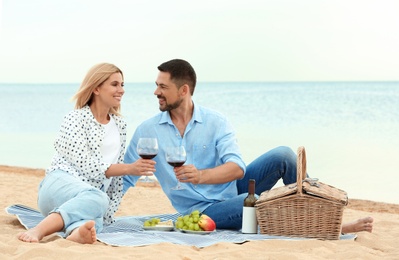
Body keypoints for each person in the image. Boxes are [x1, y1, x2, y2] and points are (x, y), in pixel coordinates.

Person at [123, 59, 373, 234]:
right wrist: (98, 209)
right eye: (156, 85)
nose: (156, 91)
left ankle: (318, 217)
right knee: (251, 202)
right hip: (203, 211)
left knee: (284, 155)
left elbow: (237, 169)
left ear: (184, 90)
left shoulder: (216, 122)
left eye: (162, 86)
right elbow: (126, 175)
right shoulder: (148, 130)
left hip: (232, 189)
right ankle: (322, 226)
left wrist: (200, 175)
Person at [17, 63, 156, 244]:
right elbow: (87, 165)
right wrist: (130, 168)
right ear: (96, 88)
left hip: (89, 196)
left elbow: (113, 183)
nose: (121, 90)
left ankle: (76, 233)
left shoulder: (120, 125)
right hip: (58, 184)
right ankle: (39, 230)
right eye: (115, 84)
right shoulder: (75, 119)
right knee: (98, 198)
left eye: (122, 85)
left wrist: (108, 210)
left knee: (95, 217)